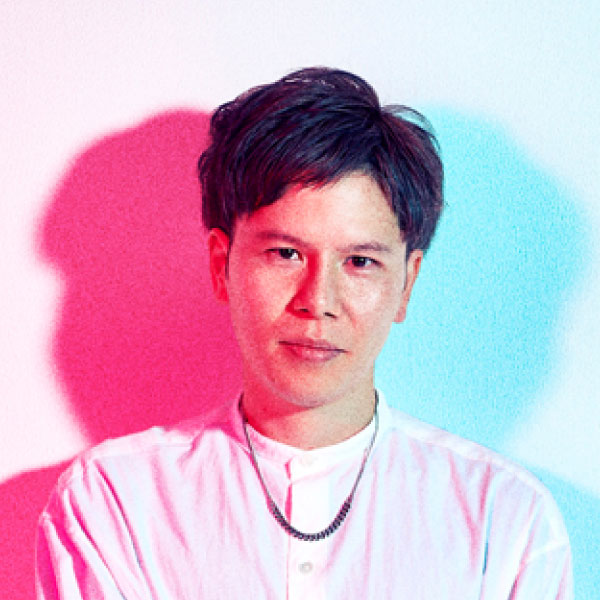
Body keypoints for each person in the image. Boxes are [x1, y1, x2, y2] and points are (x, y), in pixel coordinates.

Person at [36, 67, 572, 599]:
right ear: (222, 264)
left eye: (360, 262)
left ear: (406, 284)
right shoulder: (113, 502)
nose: (318, 301)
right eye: (286, 253)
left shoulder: (506, 521)